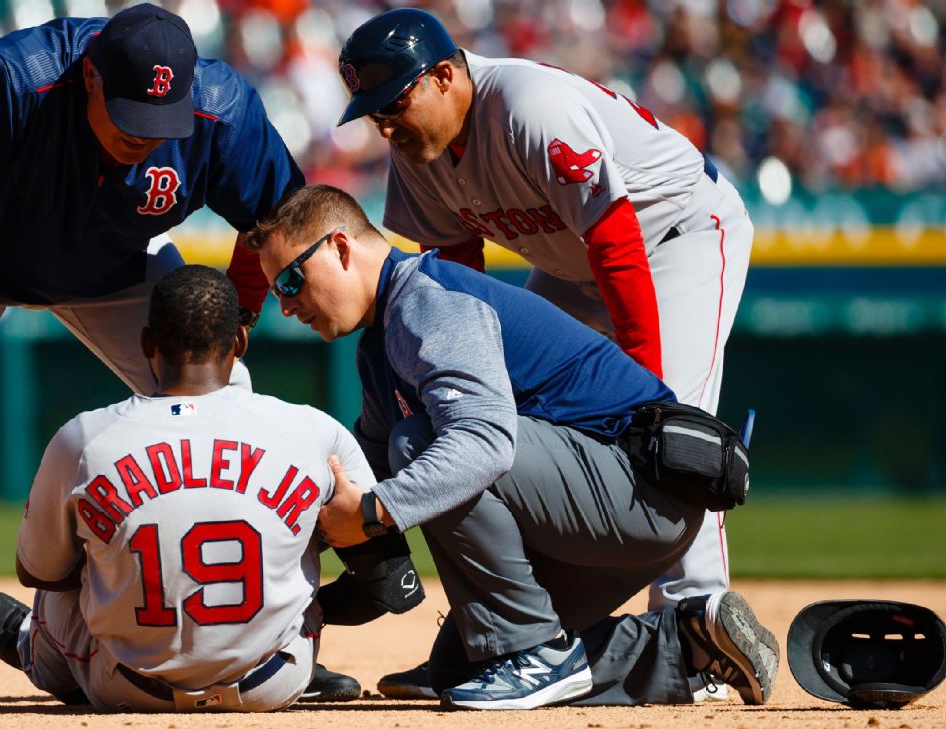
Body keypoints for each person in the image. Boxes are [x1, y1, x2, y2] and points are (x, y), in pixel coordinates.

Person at [0, 5, 312, 709]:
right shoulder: (12, 79)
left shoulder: (223, 108)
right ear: (89, 76)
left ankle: (258, 637)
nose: (145, 139)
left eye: (161, 123)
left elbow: (281, 216)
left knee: (223, 391)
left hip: (113, 267)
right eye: (129, 120)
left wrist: (238, 311)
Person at [243, 184, 778, 710]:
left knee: (426, 439)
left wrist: (372, 513)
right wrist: (280, 555)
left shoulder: (427, 301)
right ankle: (686, 646)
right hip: (598, 501)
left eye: (292, 279)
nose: (286, 305)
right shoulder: (379, 343)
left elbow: (482, 442)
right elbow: (359, 474)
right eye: (276, 292)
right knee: (466, 665)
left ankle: (535, 649)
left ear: (339, 247)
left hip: (645, 490)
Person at [335, 8, 754, 642]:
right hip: (574, 264)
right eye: (373, 112)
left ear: (444, 76)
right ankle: (527, 623)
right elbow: (456, 286)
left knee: (676, 437)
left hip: (674, 238)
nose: (385, 123)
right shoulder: (416, 156)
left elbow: (618, 245)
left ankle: (697, 628)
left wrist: (642, 391)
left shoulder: (529, 105)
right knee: (526, 423)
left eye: (395, 101)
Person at [0, 265, 379, 712]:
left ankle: (36, 648)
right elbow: (384, 581)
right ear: (239, 345)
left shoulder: (84, 437)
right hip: (273, 681)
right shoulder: (316, 431)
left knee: (64, 581)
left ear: (147, 344)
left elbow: (39, 572)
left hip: (126, 689)